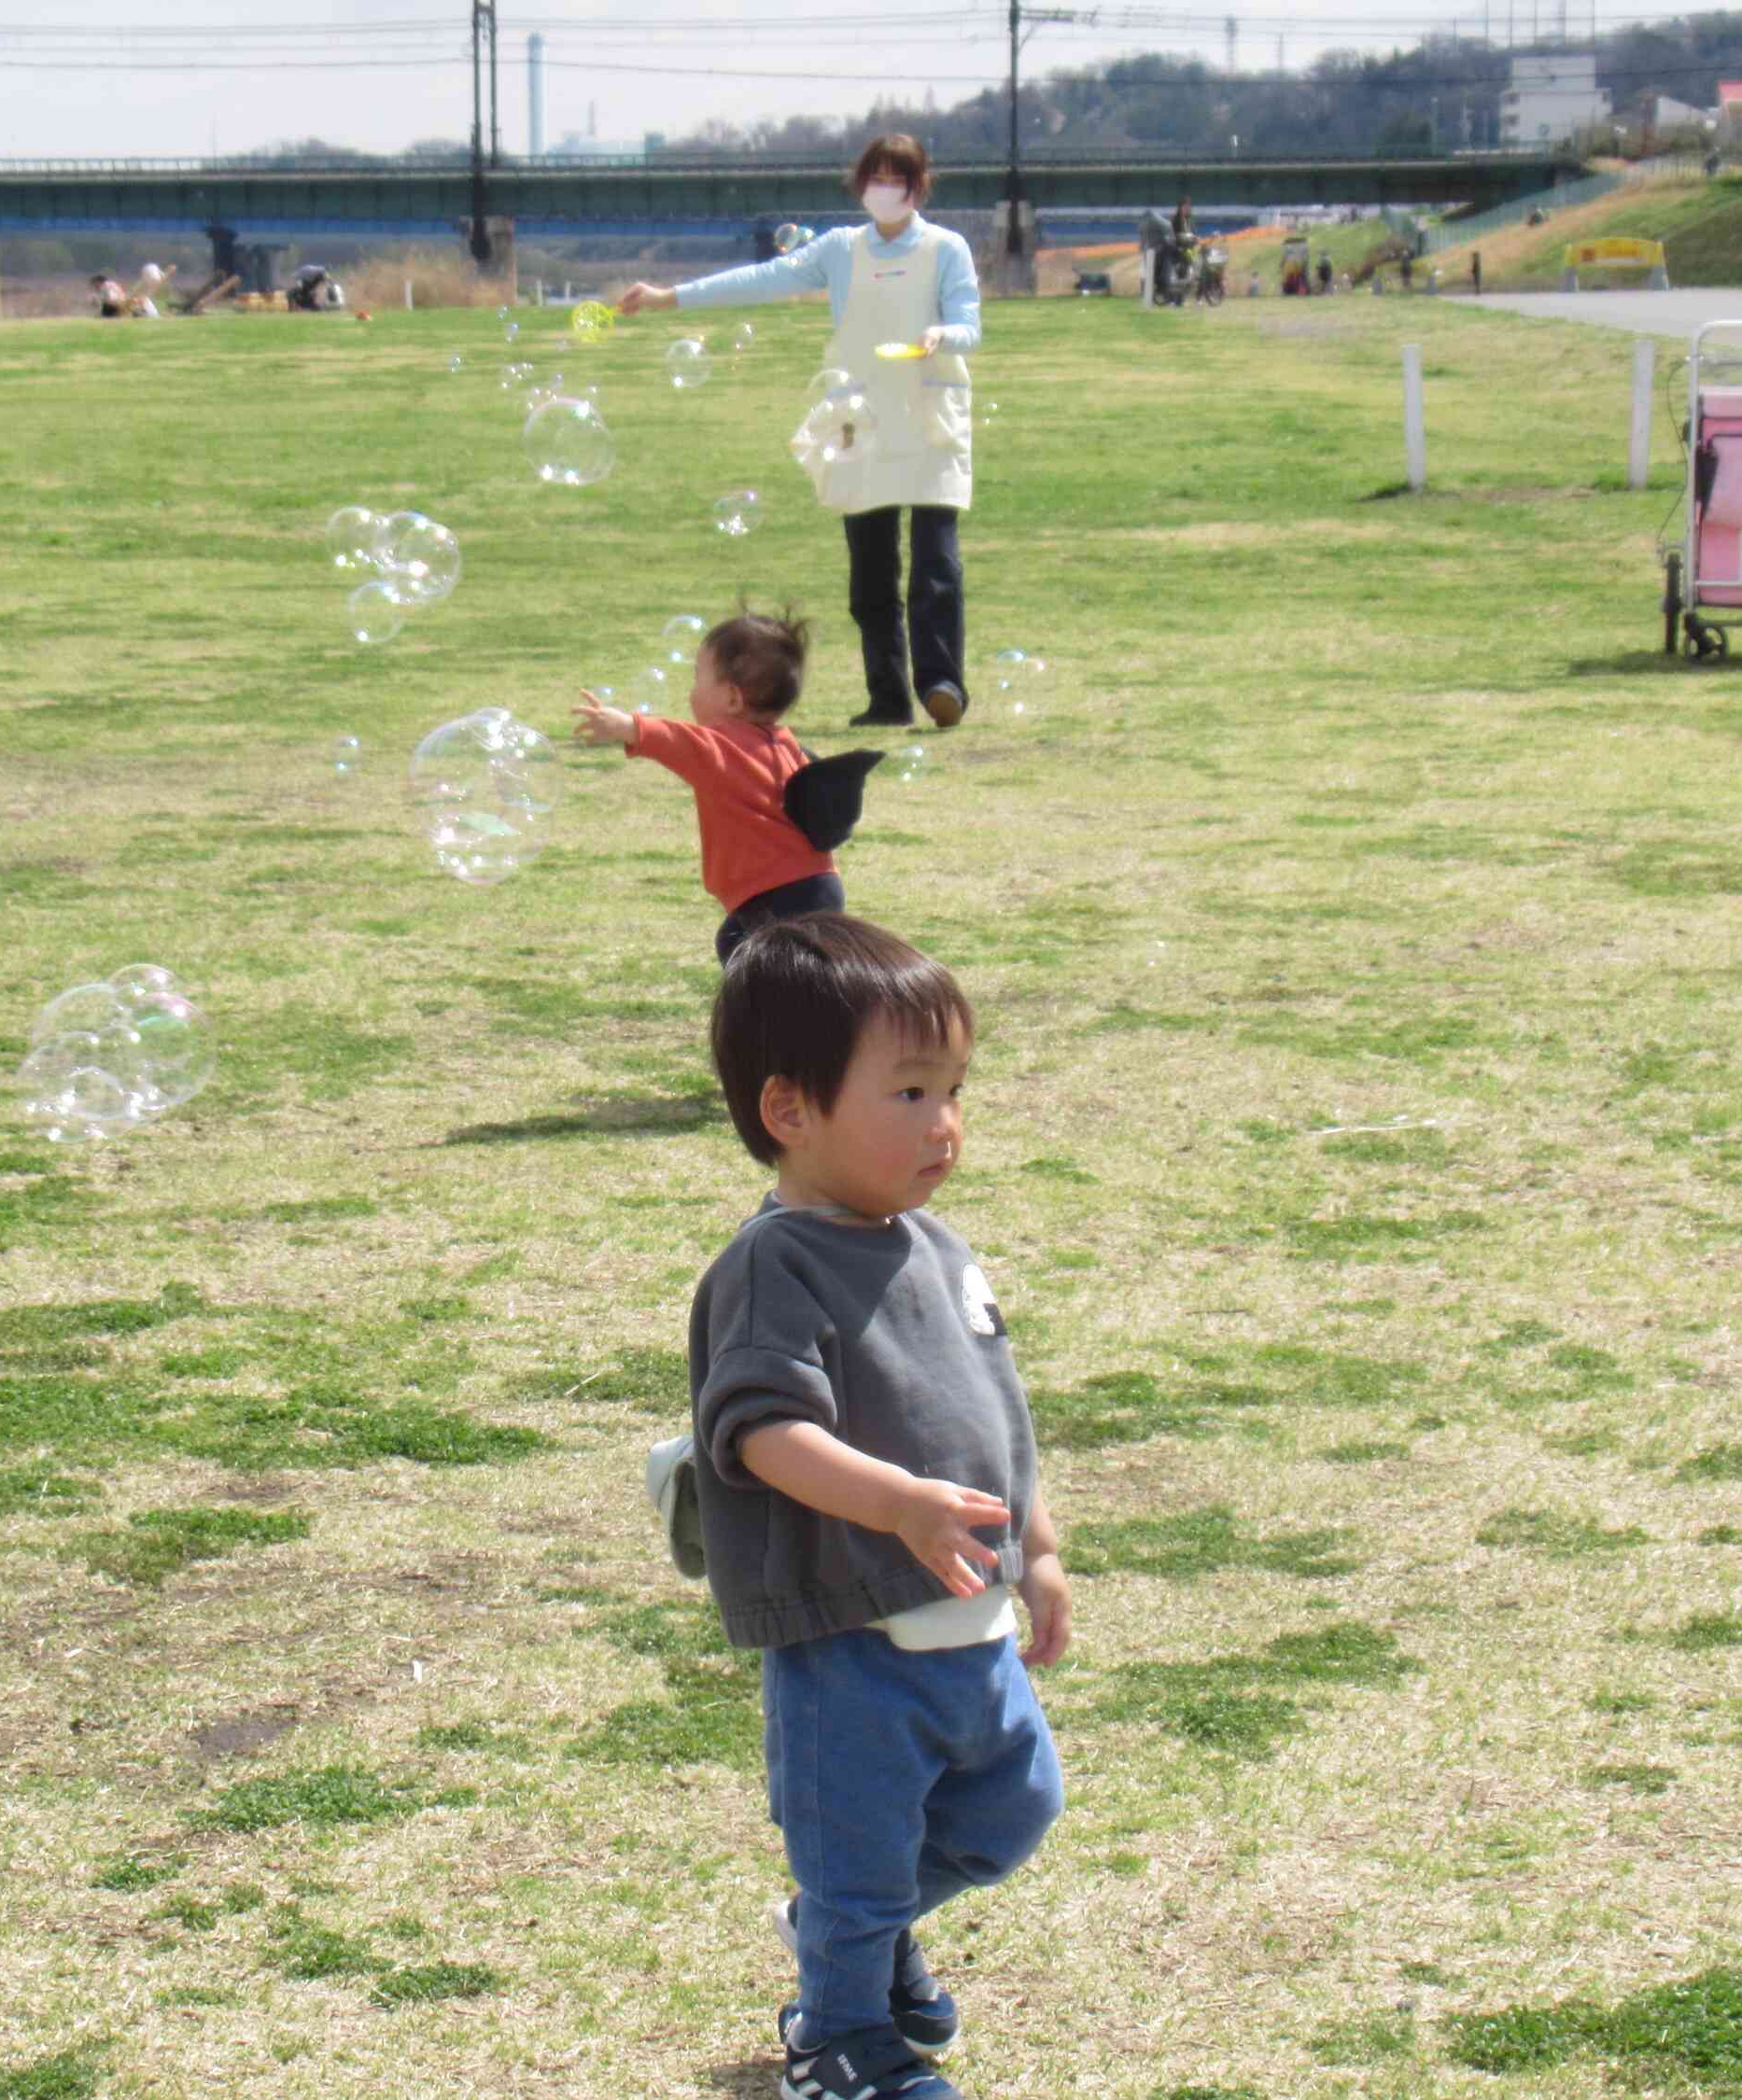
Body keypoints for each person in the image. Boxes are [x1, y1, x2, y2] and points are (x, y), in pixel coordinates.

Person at [686, 911, 1070, 2100]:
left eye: (954, 1088)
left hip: (967, 1610)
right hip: (848, 1630)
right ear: (789, 1109)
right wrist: (896, 1503)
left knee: (1012, 1810)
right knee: (855, 1855)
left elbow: (997, 1415)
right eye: (908, 1092)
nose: (944, 1122)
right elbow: (759, 1434)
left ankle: (852, 1928)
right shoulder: (774, 1264)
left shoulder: (939, 1247)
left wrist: (1042, 1550)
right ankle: (838, 2034)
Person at [618, 135, 984, 733]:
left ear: (919, 186)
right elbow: (766, 278)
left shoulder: (947, 248)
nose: (883, 190)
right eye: (874, 179)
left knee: (936, 561)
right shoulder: (841, 249)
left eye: (896, 179)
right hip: (859, 414)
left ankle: (942, 684)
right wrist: (670, 298)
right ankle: (887, 696)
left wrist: (945, 336)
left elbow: (970, 323)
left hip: (928, 411)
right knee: (869, 569)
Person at [570, 609, 867, 965]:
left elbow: (675, 740)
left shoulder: (722, 748)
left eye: (698, 678)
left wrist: (626, 726)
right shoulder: (785, 743)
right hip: (815, 884)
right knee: (745, 950)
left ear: (732, 699)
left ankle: (769, 1021)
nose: (691, 690)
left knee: (757, 970)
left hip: (779, 896)